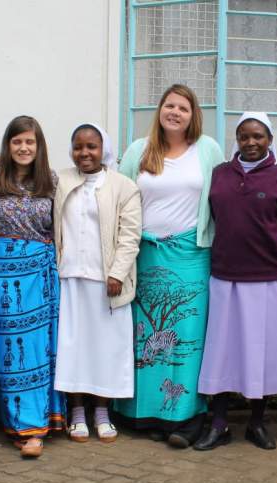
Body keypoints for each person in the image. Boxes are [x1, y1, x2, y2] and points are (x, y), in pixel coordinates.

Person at [112, 84, 225, 448]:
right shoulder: (138, 150)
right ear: (160, 110)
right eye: (169, 105)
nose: (175, 112)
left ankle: (185, 416)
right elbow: (121, 197)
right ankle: (140, 414)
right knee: (145, 335)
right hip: (146, 256)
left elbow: (220, 200)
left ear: (194, 115)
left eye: (183, 108)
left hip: (191, 255)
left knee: (187, 339)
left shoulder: (207, 150)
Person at [193, 113, 277, 451]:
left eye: (258, 136)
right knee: (222, 352)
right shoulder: (220, 175)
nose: (251, 142)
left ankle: (257, 422)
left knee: (262, 352)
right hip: (226, 275)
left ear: (270, 139)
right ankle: (219, 423)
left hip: (270, 278)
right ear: (237, 139)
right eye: (244, 136)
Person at [53, 124, 142, 444]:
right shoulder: (60, 180)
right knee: (73, 347)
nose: (84, 153)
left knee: (107, 348)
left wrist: (117, 273)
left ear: (103, 149)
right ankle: (77, 413)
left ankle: (102, 413)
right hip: (70, 278)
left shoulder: (123, 186)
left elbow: (130, 235)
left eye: (91, 146)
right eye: (78, 147)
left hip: (108, 283)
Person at [0, 115, 64, 459]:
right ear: (8, 145)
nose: (24, 148)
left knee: (40, 350)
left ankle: (38, 427)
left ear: (39, 146)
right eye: (17, 141)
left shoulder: (52, 180)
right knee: (9, 353)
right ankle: (18, 423)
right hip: (3, 274)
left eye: (30, 142)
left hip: (42, 274)